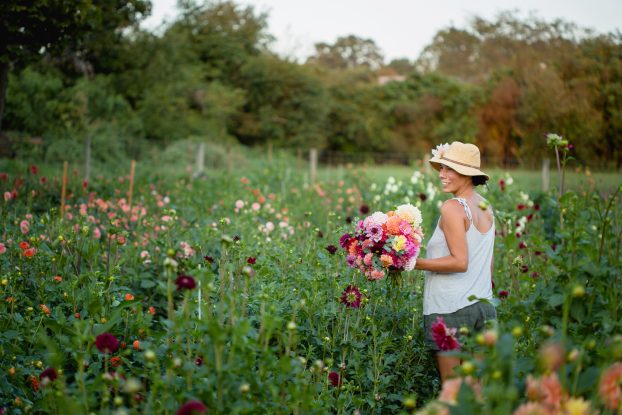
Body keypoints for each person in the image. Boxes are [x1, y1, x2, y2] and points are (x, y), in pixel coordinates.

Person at [414, 141, 496, 383]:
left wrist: (414, 263)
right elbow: (487, 264)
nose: (442, 174)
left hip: (451, 309)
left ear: (468, 174)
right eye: (441, 168)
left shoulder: (452, 207)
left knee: (452, 393)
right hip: (483, 306)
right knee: (476, 392)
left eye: (449, 169)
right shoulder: (486, 207)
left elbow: (460, 262)